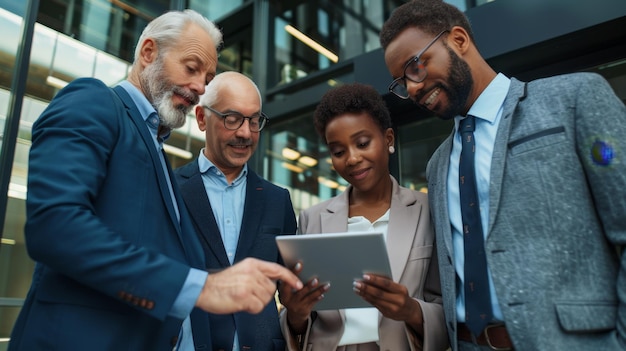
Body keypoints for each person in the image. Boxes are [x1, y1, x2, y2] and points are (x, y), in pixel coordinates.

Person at [8, 10, 302, 351]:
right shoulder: (93, 100)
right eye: (191, 68)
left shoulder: (157, 149)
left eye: (207, 77)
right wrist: (201, 288)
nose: (199, 88)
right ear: (148, 52)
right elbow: (55, 226)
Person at [379, 1, 626, 350]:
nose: (413, 88)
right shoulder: (437, 165)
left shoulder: (573, 100)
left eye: (414, 67)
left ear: (459, 40)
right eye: (402, 82)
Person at [278, 82, 448, 351]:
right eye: (338, 151)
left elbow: (447, 309)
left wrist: (410, 310)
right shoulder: (312, 218)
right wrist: (296, 314)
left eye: (362, 143)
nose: (352, 158)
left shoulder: (428, 210)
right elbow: (301, 322)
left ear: (388, 139)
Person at [174, 71, 297, 351]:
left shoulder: (278, 200)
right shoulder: (170, 190)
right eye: (232, 119)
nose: (245, 133)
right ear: (202, 118)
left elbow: (291, 295)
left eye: (254, 121)